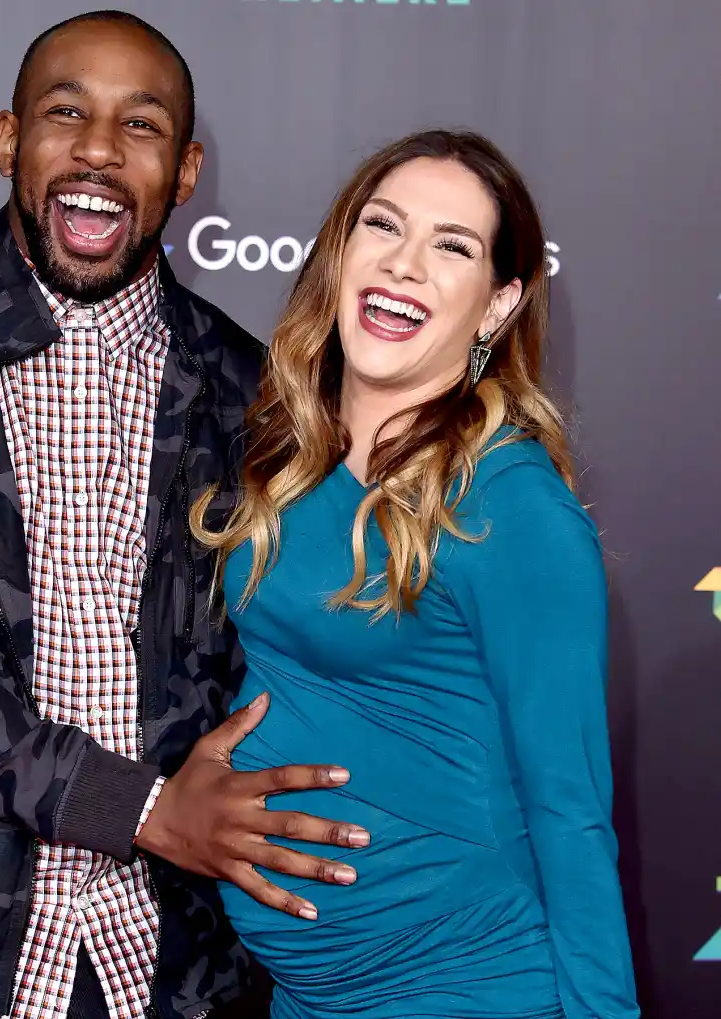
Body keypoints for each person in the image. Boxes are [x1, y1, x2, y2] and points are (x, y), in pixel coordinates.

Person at [0, 12, 369, 1019]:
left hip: (175, 968)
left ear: (184, 173)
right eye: (65, 113)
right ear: (9, 140)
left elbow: (277, 656)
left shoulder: (252, 392)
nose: (97, 147)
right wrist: (138, 807)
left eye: (140, 127)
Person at [192, 129, 641, 1019]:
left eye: (452, 246)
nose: (405, 265)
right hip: (308, 998)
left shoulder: (513, 508)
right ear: (341, 252)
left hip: (467, 986)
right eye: (384, 226)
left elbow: (572, 812)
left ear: (497, 305)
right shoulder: (289, 450)